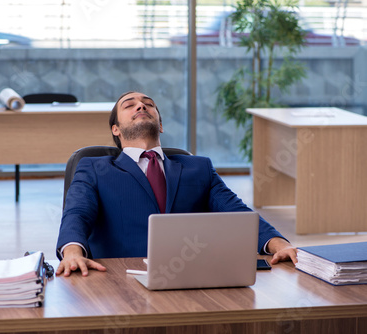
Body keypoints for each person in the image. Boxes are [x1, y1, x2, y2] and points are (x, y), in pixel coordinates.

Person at [56, 91, 297, 277]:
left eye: (148, 104)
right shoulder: (93, 167)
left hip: (190, 276)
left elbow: (237, 212)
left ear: (160, 125)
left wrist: (279, 245)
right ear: (116, 129)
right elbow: (77, 213)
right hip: (120, 278)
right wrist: (73, 252)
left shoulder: (198, 167)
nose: (141, 105)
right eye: (129, 105)